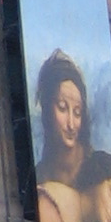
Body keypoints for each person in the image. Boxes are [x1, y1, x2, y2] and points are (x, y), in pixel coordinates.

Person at [35, 49, 92, 185]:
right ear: (48, 110)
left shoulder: (100, 169)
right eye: (62, 108)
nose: (71, 125)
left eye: (77, 112)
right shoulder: (39, 176)